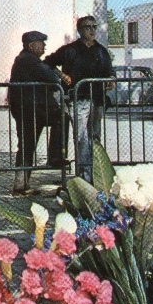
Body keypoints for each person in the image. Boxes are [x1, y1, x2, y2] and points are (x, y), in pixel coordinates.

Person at [44, 15, 115, 183]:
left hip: (97, 99)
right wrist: (62, 75)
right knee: (82, 138)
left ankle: (97, 176)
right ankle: (83, 176)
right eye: (87, 27)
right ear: (79, 30)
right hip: (78, 100)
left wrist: (111, 79)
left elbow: (109, 71)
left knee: (94, 138)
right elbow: (48, 62)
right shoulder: (69, 50)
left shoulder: (101, 51)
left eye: (94, 27)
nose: (91, 30)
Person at [8, 31, 62, 196]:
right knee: (27, 144)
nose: (44, 45)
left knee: (27, 145)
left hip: (31, 108)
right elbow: (52, 78)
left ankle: (21, 183)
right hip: (30, 109)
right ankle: (54, 156)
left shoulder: (27, 59)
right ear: (31, 45)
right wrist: (56, 75)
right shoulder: (28, 60)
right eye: (41, 42)